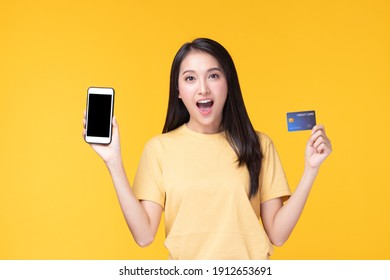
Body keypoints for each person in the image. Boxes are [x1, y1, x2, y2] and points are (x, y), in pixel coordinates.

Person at [82, 38, 332, 260]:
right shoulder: (159, 149)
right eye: (190, 78)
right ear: (178, 91)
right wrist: (112, 161)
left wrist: (311, 169)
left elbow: (277, 234)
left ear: (228, 83)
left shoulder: (259, 145)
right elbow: (144, 235)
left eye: (213, 75)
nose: (203, 88)